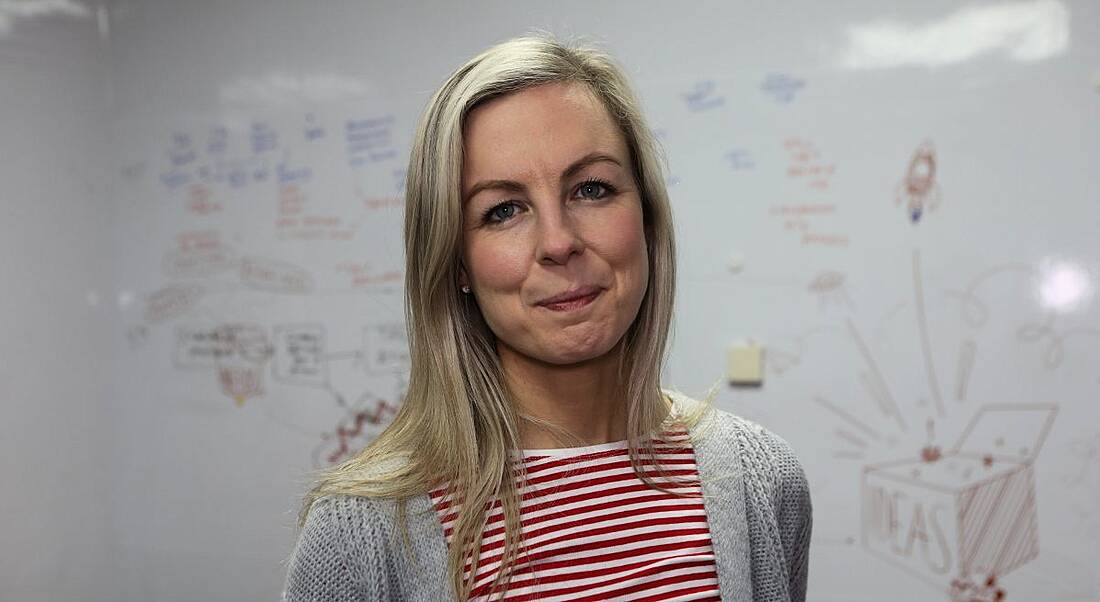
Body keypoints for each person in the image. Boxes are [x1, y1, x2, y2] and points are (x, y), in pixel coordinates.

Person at [284, 32, 811, 601]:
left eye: (591, 188)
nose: (558, 242)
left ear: (647, 215)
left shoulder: (763, 480)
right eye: (503, 210)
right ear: (455, 259)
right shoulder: (359, 532)